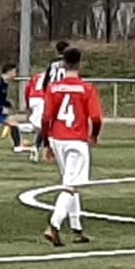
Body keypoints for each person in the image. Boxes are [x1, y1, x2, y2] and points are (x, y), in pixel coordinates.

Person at [42, 47, 102, 247]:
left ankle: (77, 229)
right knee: (70, 186)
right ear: (80, 64)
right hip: (76, 139)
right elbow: (96, 118)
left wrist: (46, 143)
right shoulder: (87, 88)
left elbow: (46, 118)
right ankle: (54, 224)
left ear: (63, 64)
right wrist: (94, 136)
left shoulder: (53, 88)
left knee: (71, 183)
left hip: (57, 138)